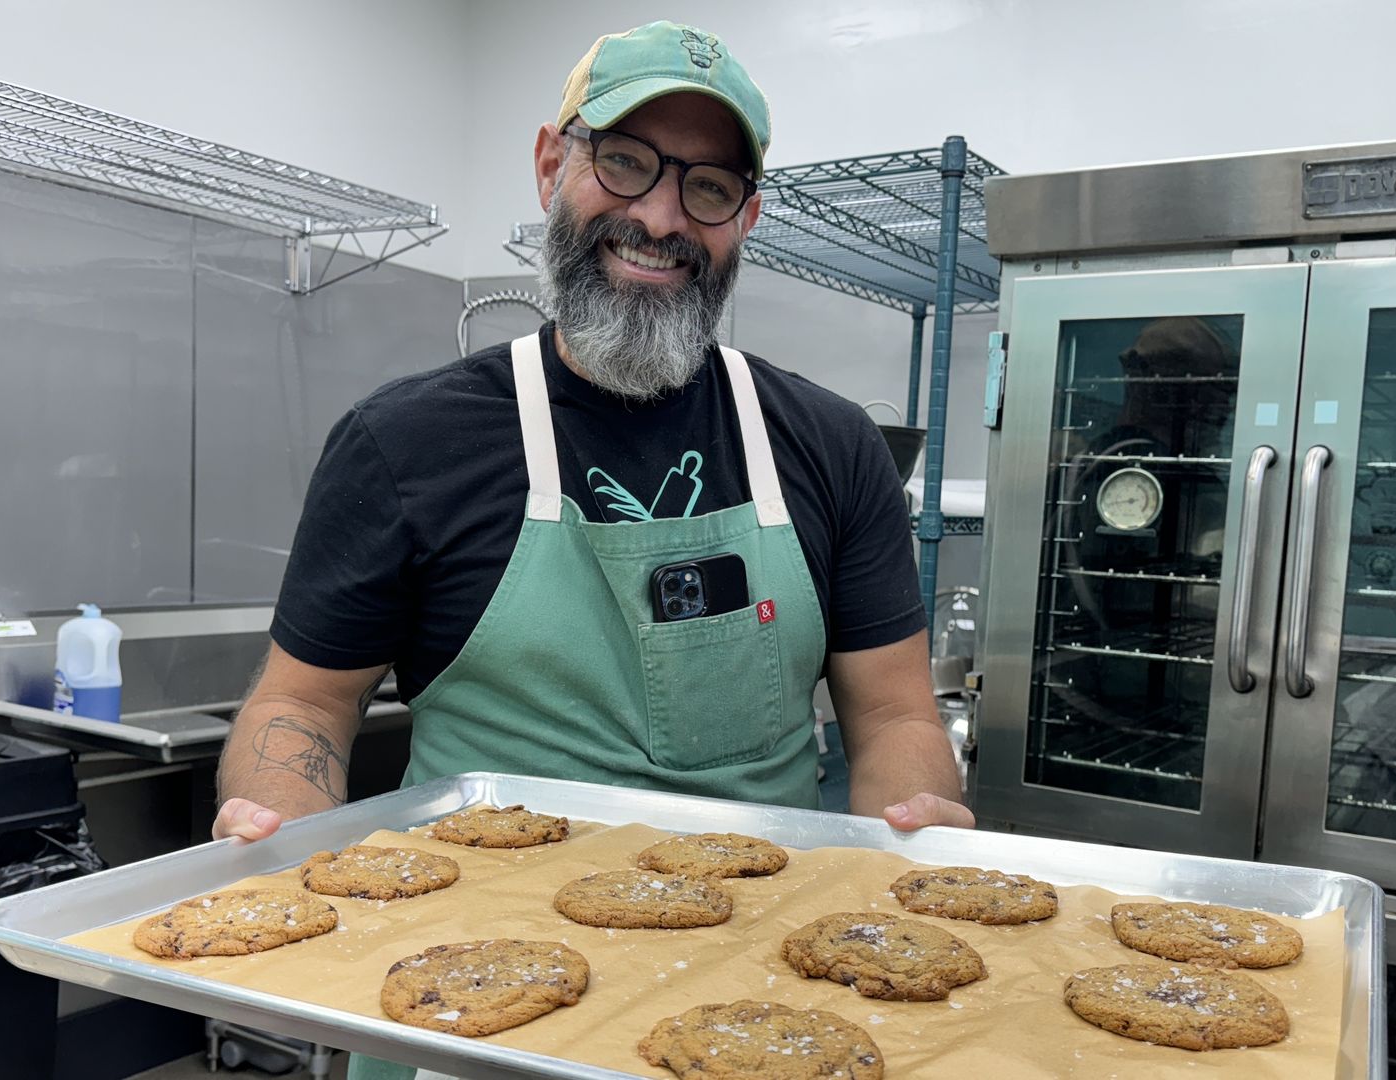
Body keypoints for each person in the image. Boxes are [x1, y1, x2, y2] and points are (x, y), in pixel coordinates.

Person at [210, 20, 966, 855]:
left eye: (709, 187)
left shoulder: (834, 446)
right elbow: (304, 704)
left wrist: (918, 822)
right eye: (624, 161)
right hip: (467, 953)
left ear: (745, 218)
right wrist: (278, 828)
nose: (660, 215)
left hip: (759, 948)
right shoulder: (402, 443)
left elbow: (895, 715)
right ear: (550, 167)